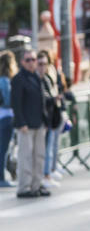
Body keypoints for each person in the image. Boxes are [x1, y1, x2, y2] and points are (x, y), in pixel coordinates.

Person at [10, 50, 47, 198]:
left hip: (38, 123)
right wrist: (21, 122)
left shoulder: (37, 77)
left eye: (33, 59)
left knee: (39, 156)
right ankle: (24, 187)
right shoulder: (19, 79)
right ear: (22, 62)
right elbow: (16, 103)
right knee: (25, 156)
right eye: (28, 60)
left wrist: (45, 120)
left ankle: (36, 185)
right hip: (25, 125)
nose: (32, 62)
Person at [36, 51, 69, 188]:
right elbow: (43, 99)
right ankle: (44, 175)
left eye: (45, 63)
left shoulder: (48, 78)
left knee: (50, 147)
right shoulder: (36, 79)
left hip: (50, 118)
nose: (43, 66)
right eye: (40, 64)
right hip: (40, 121)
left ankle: (49, 172)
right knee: (43, 150)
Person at [0, 50, 14, 189]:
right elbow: (8, 100)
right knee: (3, 150)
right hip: (6, 116)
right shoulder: (4, 80)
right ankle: (1, 178)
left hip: (2, 116)